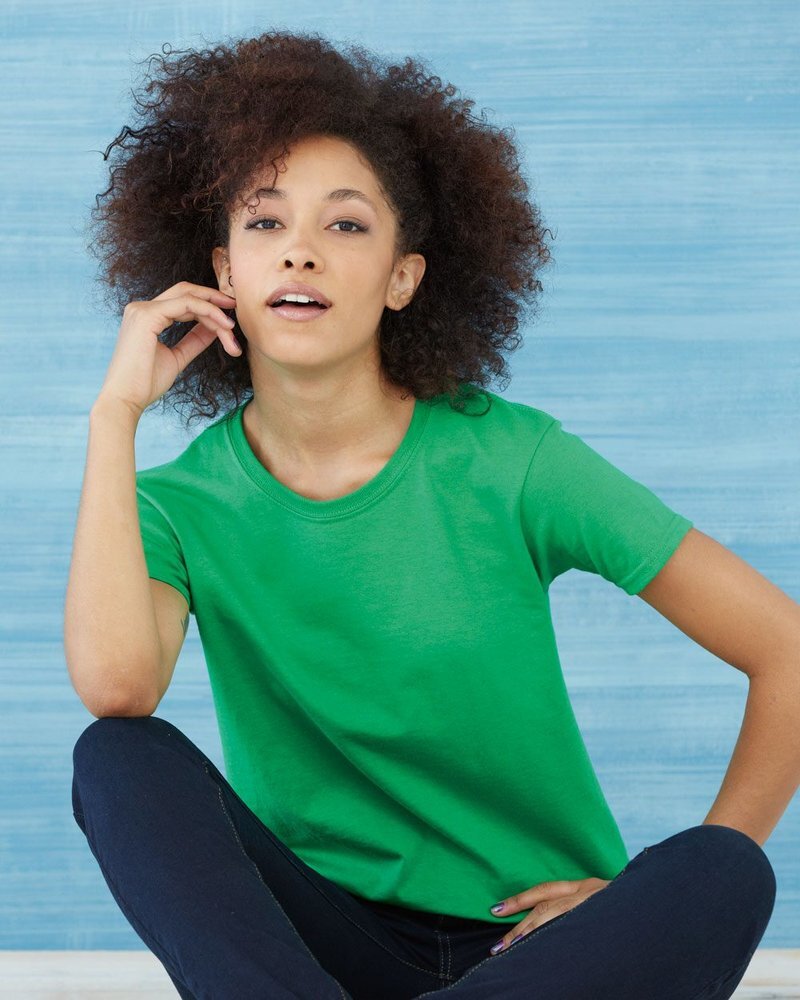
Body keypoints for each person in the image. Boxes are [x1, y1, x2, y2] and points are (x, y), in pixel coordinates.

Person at [65, 29, 785, 1000]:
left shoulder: (513, 460)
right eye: (266, 222)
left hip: (530, 949)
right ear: (222, 272)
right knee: (117, 756)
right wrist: (114, 415)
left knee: (724, 869)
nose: (301, 251)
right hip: (318, 948)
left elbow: (785, 648)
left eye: (345, 224)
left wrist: (623, 901)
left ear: (403, 276)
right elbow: (118, 689)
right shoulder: (174, 504)